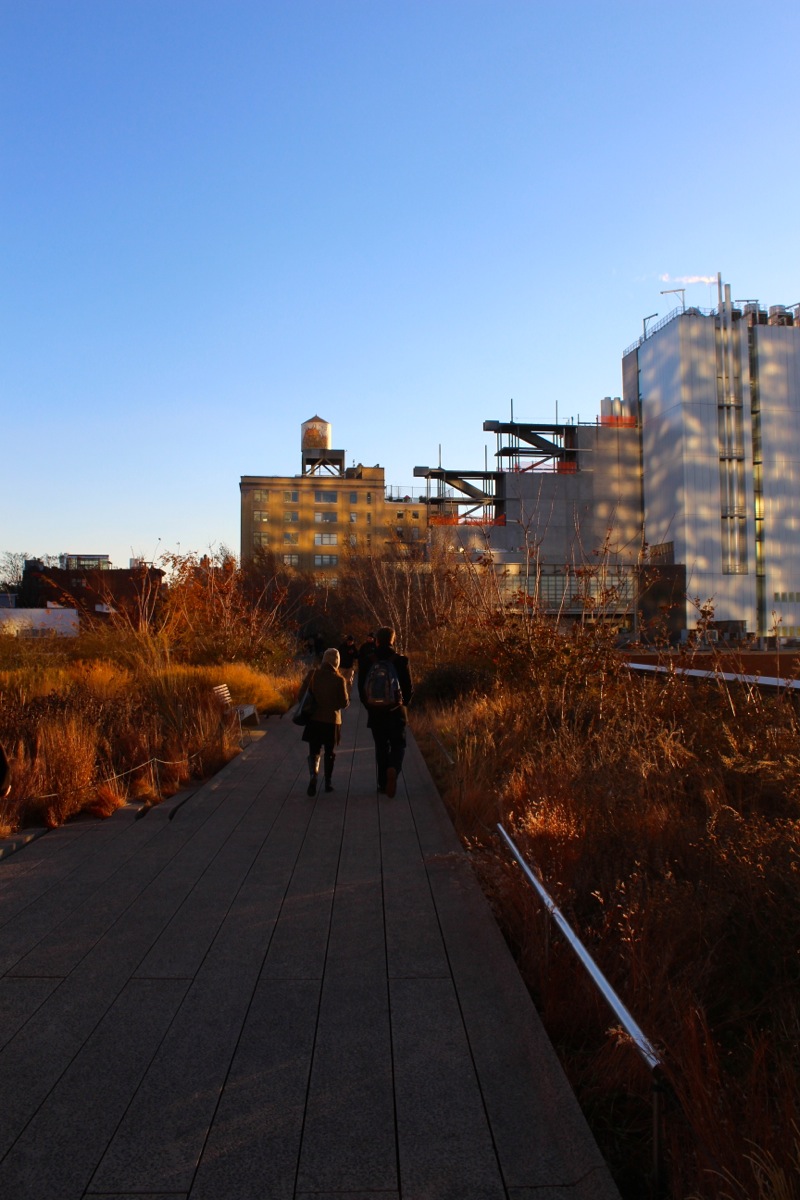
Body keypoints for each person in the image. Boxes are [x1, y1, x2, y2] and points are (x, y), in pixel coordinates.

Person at [358, 626, 413, 798]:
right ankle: (393, 768)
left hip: (376, 712)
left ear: (377, 640)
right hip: (396, 711)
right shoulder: (401, 660)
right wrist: (402, 705)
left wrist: (370, 706)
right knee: (398, 744)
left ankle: (382, 784)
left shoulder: (368, 660)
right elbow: (408, 688)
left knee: (381, 746)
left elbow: (361, 688)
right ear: (393, 640)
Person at [298, 647, 349, 795]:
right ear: (337, 662)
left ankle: (313, 775)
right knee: (329, 752)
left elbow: (301, 695)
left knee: (314, 751)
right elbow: (343, 703)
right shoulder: (339, 680)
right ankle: (328, 781)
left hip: (314, 719)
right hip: (332, 721)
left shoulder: (313, 674)